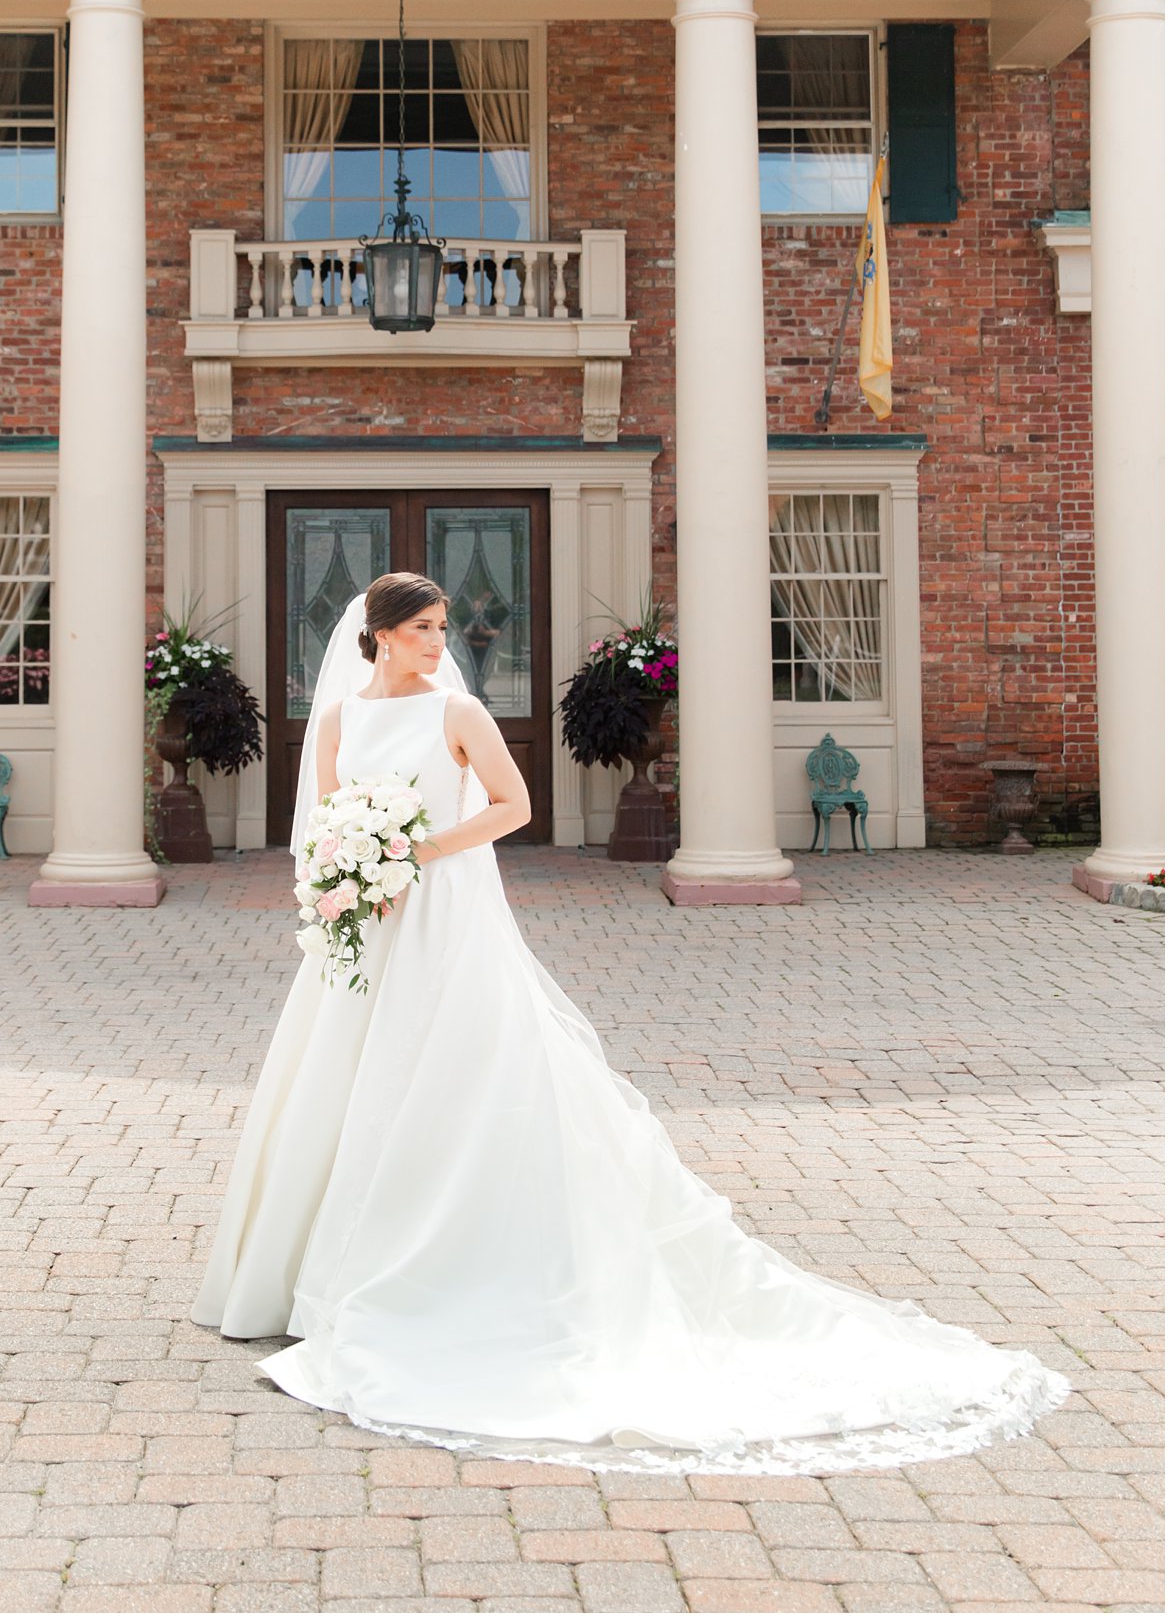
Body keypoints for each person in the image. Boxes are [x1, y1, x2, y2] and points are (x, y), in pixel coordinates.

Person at [189, 572, 1071, 1476]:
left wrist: (418, 849)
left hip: (447, 911)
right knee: (339, 1075)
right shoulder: (335, 721)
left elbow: (513, 807)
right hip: (366, 923)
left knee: (452, 1070)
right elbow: (328, 819)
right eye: (419, 629)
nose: (436, 642)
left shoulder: (457, 712)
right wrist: (350, 873)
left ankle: (446, 1262)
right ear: (374, 634)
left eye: (442, 627)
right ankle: (304, 1275)